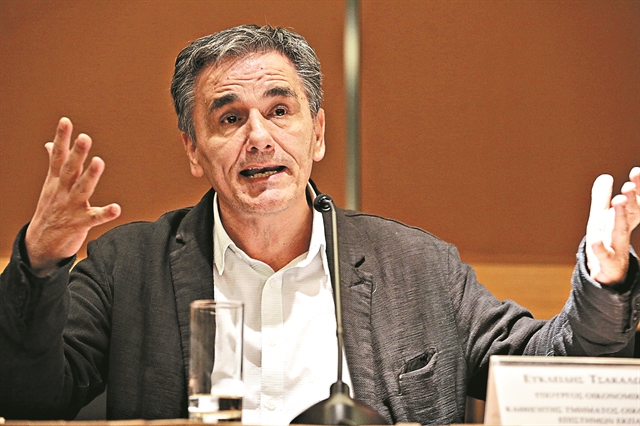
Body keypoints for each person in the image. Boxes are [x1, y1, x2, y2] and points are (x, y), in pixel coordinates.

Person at [0, 24, 638, 425]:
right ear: (193, 149)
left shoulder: (417, 269)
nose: (259, 137)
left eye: (280, 110)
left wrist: (604, 282)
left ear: (319, 133)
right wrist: (41, 260)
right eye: (229, 118)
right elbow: (27, 397)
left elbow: (549, 373)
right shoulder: (126, 266)